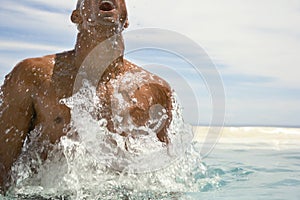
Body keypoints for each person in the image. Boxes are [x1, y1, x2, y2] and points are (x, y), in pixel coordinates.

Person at [0, 0, 172, 193]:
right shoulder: (31, 76)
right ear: (77, 17)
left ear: (126, 21)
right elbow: (2, 169)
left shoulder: (156, 90)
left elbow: (167, 179)